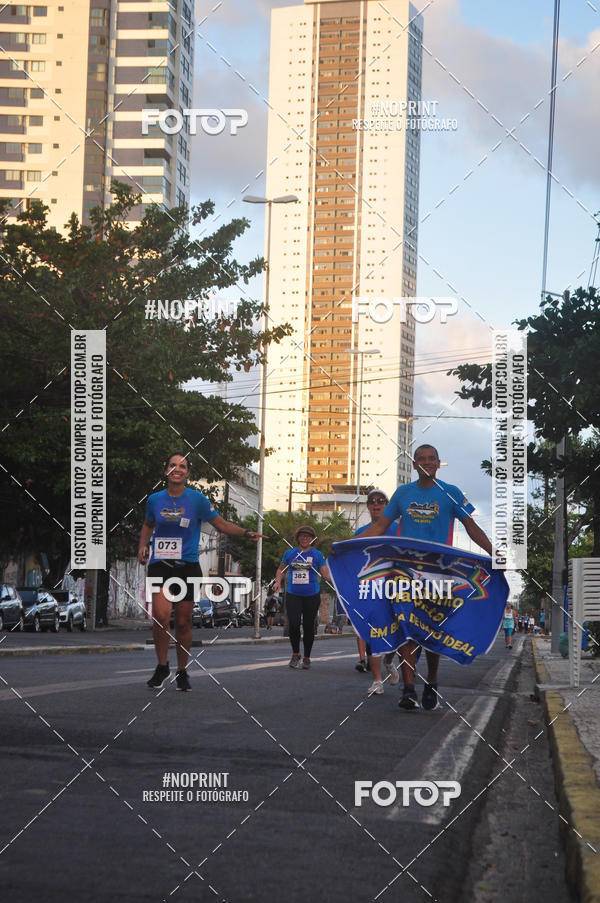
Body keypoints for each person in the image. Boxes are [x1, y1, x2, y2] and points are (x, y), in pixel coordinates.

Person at [360, 444, 492, 711]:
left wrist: (495, 553)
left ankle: (431, 681)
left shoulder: (451, 492)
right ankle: (408, 690)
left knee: (433, 632)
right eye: (421, 459)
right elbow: (379, 527)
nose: (427, 463)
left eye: (432, 459)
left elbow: (471, 527)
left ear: (438, 463)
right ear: (414, 464)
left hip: (440, 573)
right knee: (407, 628)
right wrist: (345, 544)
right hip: (404, 572)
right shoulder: (402, 493)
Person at [139, 452, 263, 691]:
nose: (177, 469)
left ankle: (182, 670)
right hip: (160, 565)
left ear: (188, 472)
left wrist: (247, 532)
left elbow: (222, 524)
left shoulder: (197, 500)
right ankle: (162, 666)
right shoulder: (154, 500)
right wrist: (143, 545)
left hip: (187, 566)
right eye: (173, 465)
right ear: (166, 470)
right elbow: (147, 525)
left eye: (182, 466)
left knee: (184, 623)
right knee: (161, 617)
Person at [353, 489, 401, 696]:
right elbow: (352, 558)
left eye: (381, 501)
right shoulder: (361, 532)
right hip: (372, 588)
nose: (376, 504)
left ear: (387, 505)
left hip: (398, 588)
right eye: (372, 501)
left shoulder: (400, 529)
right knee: (374, 633)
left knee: (398, 634)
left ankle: (390, 661)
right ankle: (376, 680)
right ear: (368, 506)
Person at [273, 525, 331, 669]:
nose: (305, 539)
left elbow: (325, 573)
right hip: (293, 594)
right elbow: (280, 569)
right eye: (302, 536)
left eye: (308, 537)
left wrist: (337, 581)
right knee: (293, 624)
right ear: (298, 538)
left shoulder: (317, 555)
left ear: (312, 539)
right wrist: (277, 581)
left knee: (308, 626)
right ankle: (296, 653)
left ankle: (307, 657)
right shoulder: (290, 553)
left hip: (311, 595)